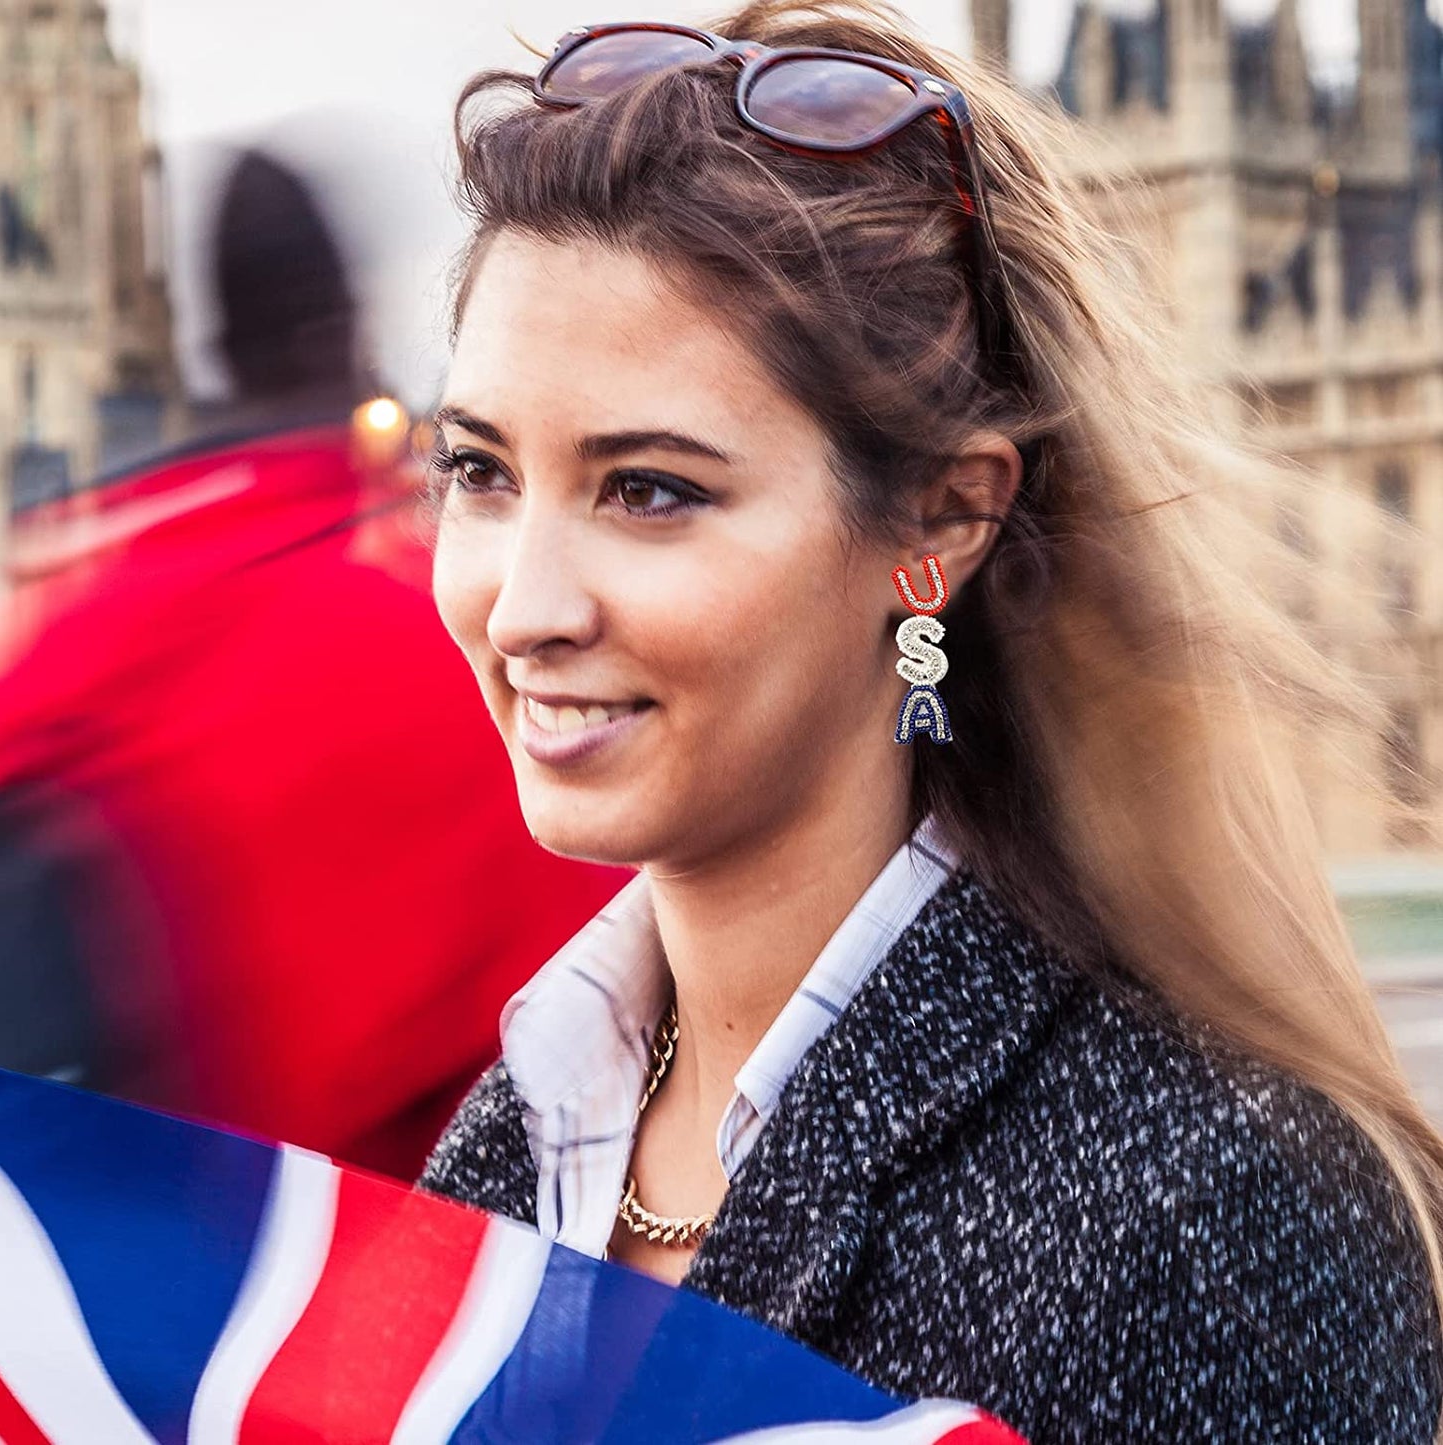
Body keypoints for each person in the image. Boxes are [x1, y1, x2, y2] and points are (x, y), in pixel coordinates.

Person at [418, 3, 1443, 1438]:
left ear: (942, 521)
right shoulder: (505, 1147)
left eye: (648, 488)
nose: (523, 605)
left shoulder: (1212, 1207)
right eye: (478, 470)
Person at [0, 150, 624, 1177]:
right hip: (376, 1294)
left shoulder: (80, 621)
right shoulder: (452, 649)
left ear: (214, 344)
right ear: (344, 326)